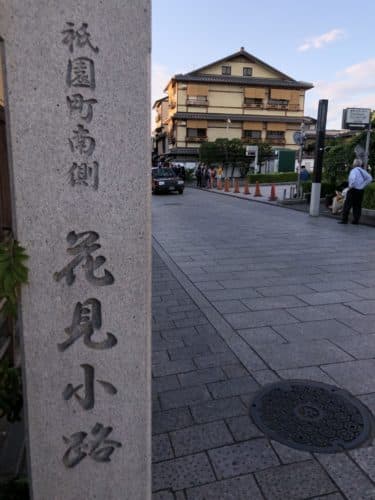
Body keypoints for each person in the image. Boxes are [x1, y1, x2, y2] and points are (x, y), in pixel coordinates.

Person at [338, 159, 373, 225]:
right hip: (360, 191)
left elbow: (353, 179)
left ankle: (344, 220)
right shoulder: (363, 171)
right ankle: (356, 221)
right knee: (357, 206)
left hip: (353, 190)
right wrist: (363, 185)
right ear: (360, 164)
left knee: (347, 205)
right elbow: (370, 178)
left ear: (354, 164)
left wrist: (350, 186)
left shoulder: (353, 171)